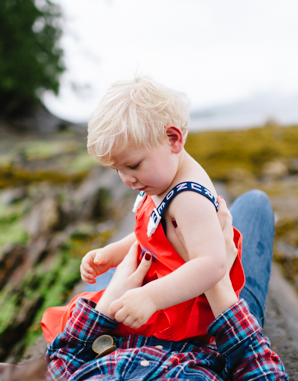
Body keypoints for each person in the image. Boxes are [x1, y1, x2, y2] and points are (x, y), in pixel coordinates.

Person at [0, 192, 293, 381]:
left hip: (117, 326)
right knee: (253, 203)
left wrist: (107, 303)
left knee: (144, 241)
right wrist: (214, 277)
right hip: (213, 331)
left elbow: (62, 359)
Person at [41, 77, 246, 344]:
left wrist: (150, 298)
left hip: (178, 309)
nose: (127, 180)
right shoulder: (160, 181)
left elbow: (212, 263)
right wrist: (111, 254)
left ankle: (41, 372)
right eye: (118, 170)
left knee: (90, 317)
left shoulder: (188, 198)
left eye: (134, 165)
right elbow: (152, 237)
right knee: (81, 311)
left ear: (173, 139)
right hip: (161, 286)